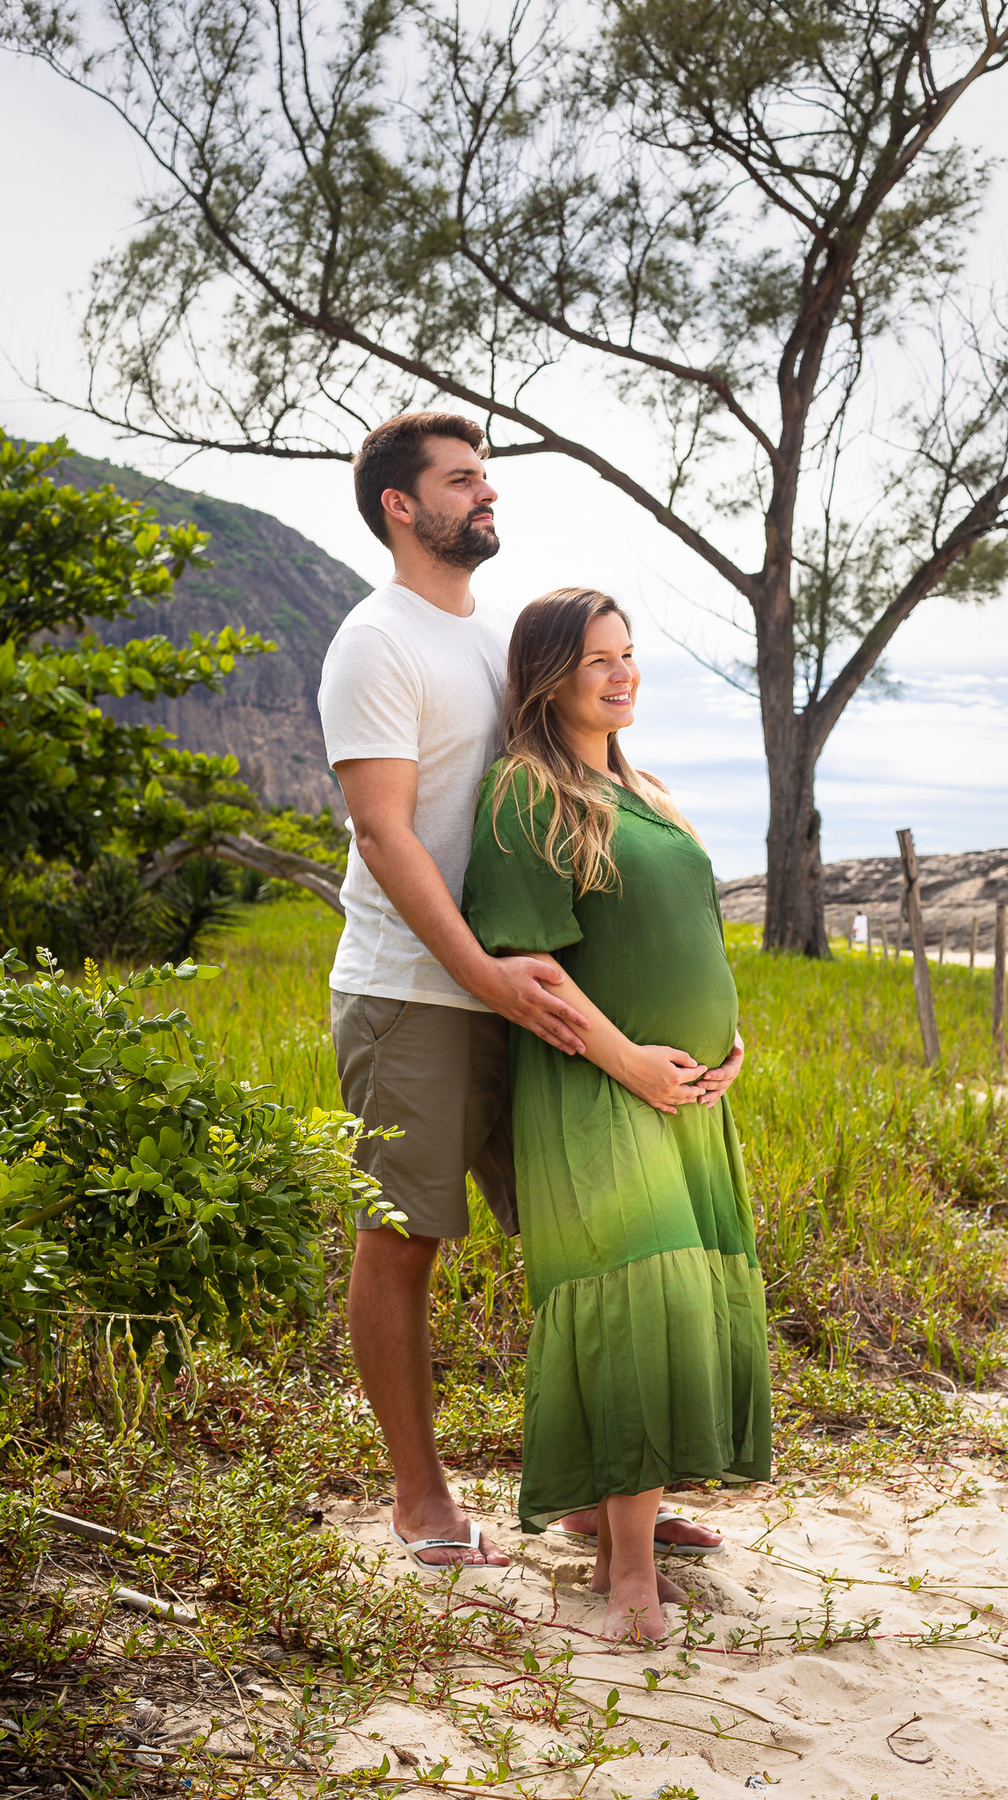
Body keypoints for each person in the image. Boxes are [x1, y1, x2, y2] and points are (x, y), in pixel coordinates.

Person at [319, 413, 727, 1568]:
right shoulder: (374, 642)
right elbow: (387, 834)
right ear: (403, 506)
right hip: (417, 991)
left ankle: (606, 1494)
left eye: (484, 479)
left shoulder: (491, 637)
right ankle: (419, 1498)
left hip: (522, 991)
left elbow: (560, 792)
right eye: (461, 482)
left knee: (585, 1235)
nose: (483, 496)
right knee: (406, 1239)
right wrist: (481, 977)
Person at [462, 589, 772, 1640]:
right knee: (638, 1299)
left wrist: (728, 1043)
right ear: (548, 675)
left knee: (684, 1293)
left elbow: (687, 936)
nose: (622, 673)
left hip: (686, 1094)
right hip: (599, 1088)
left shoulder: (640, 790)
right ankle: (626, 1576)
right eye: (598, 658)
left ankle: (625, 1515)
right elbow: (529, 970)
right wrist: (634, 1062)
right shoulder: (526, 795)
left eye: (628, 654)